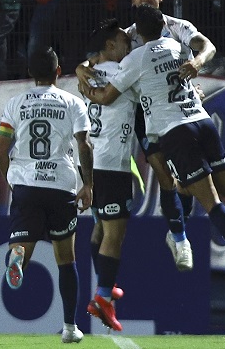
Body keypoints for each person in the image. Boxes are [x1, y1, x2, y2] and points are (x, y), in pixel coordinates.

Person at [83, 3, 225, 290]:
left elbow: (108, 96)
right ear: (163, 25)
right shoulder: (178, 48)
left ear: (138, 32)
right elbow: (195, 59)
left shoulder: (134, 59)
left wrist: (87, 87)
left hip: (176, 132)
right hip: (203, 121)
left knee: (210, 200)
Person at [77, 0, 198, 273]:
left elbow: (201, 48)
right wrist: (82, 66)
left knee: (187, 180)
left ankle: (178, 231)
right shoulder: (127, 35)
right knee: (163, 173)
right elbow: (100, 57)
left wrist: (197, 73)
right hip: (146, 114)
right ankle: (181, 239)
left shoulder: (177, 27)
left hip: (180, 111)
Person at [0, 45, 93, 344]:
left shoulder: (15, 104)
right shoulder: (73, 103)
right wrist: (87, 184)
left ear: (29, 73)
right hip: (61, 185)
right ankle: (69, 327)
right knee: (66, 258)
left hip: (26, 183)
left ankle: (18, 256)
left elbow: (0, 150)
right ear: (58, 72)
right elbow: (84, 146)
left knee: (23, 244)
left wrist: (12, 180)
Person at [81, 19, 136, 332]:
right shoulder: (123, 73)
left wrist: (81, 66)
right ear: (111, 46)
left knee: (101, 230)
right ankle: (103, 296)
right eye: (122, 41)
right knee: (115, 236)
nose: (128, 46)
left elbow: (85, 67)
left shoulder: (91, 71)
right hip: (113, 164)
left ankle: (104, 287)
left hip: (96, 161)